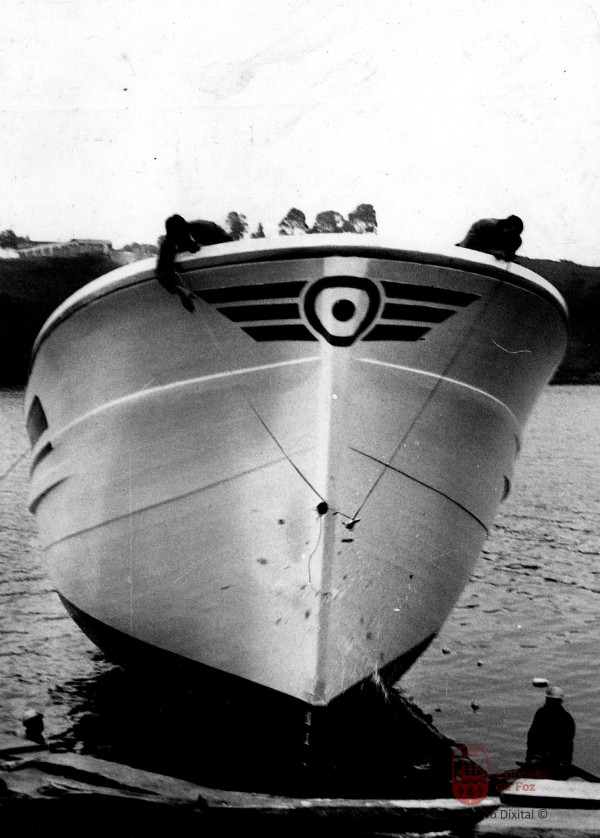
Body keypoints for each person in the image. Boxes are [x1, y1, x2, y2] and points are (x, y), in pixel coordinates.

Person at [156, 214, 233, 312]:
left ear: (186, 231)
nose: (180, 243)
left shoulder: (206, 228)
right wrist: (180, 291)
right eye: (176, 240)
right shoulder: (168, 242)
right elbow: (161, 273)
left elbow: (230, 247)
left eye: (181, 238)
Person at [525, 686, 575, 779]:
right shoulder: (567, 718)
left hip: (542, 760)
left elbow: (531, 737)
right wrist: (566, 763)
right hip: (557, 761)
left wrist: (529, 759)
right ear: (561, 701)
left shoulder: (541, 713)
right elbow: (568, 744)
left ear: (547, 699)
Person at [456, 215, 523, 261]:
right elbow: (467, 244)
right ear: (504, 226)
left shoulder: (516, 242)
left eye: (512, 234)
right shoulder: (485, 225)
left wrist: (506, 256)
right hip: (471, 251)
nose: (508, 234)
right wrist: (491, 251)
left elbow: (508, 256)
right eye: (508, 229)